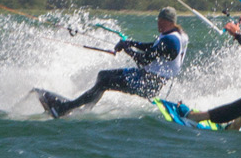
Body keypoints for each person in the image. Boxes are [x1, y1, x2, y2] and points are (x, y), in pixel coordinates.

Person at [37, 7, 188, 118]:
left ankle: (65, 108)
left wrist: (126, 49)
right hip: (144, 76)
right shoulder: (174, 34)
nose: (158, 25)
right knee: (103, 75)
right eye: (158, 21)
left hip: (148, 83)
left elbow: (143, 60)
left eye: (161, 22)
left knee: (105, 83)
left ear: (169, 22)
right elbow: (152, 46)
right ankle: (85, 110)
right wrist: (130, 43)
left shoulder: (169, 41)